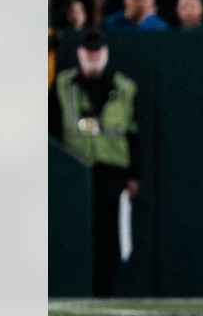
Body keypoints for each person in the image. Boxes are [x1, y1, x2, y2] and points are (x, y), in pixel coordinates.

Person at [49, 31, 139, 297]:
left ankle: (104, 289)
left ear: (105, 53)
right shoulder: (64, 84)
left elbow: (133, 133)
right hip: (74, 168)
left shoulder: (124, 87)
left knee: (109, 234)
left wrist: (134, 174)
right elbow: (53, 125)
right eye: (88, 52)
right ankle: (73, 287)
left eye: (97, 52)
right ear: (80, 54)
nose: (93, 58)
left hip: (111, 170)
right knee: (74, 230)